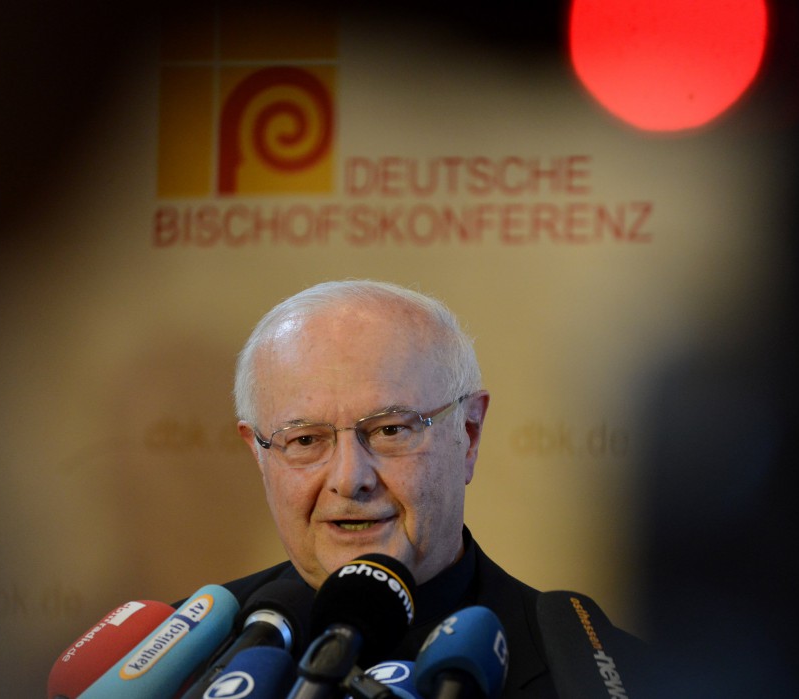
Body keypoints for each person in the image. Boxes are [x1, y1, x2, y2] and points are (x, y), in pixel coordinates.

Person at [209, 279, 640, 698]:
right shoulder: (181, 661)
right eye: (304, 440)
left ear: (468, 433)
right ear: (260, 454)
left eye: (390, 430)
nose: (349, 478)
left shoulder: (610, 678)